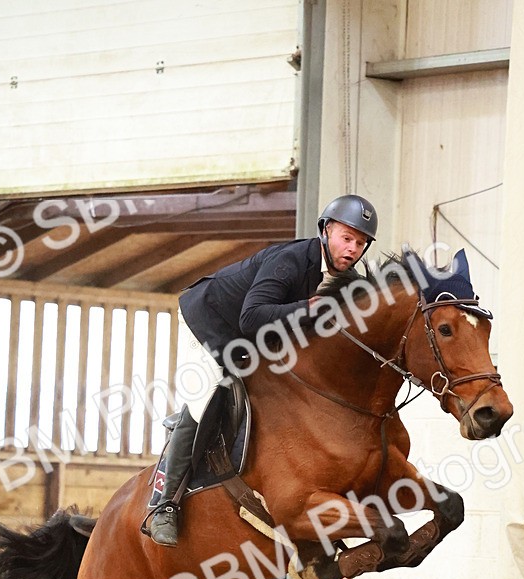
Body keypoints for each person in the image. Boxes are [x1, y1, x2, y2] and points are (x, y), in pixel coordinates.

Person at [148, 194, 379, 546]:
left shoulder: (348, 279)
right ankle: (164, 504)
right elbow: (252, 316)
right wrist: (307, 307)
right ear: (326, 230)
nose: (353, 249)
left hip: (250, 337)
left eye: (360, 243)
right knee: (209, 394)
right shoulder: (289, 261)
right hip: (209, 319)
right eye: (347, 238)